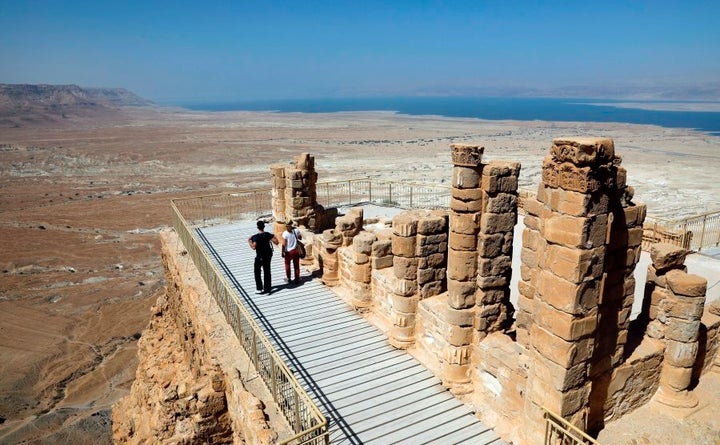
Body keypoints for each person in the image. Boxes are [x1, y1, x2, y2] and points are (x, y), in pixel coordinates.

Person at [248, 221, 278, 294]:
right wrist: (273, 236)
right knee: (267, 271)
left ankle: (259, 288)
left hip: (260, 256)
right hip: (268, 255)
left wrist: (249, 242)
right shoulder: (267, 234)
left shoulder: (255, 237)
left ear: (258, 227)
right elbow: (276, 242)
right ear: (264, 227)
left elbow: (254, 247)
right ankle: (267, 288)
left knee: (257, 272)